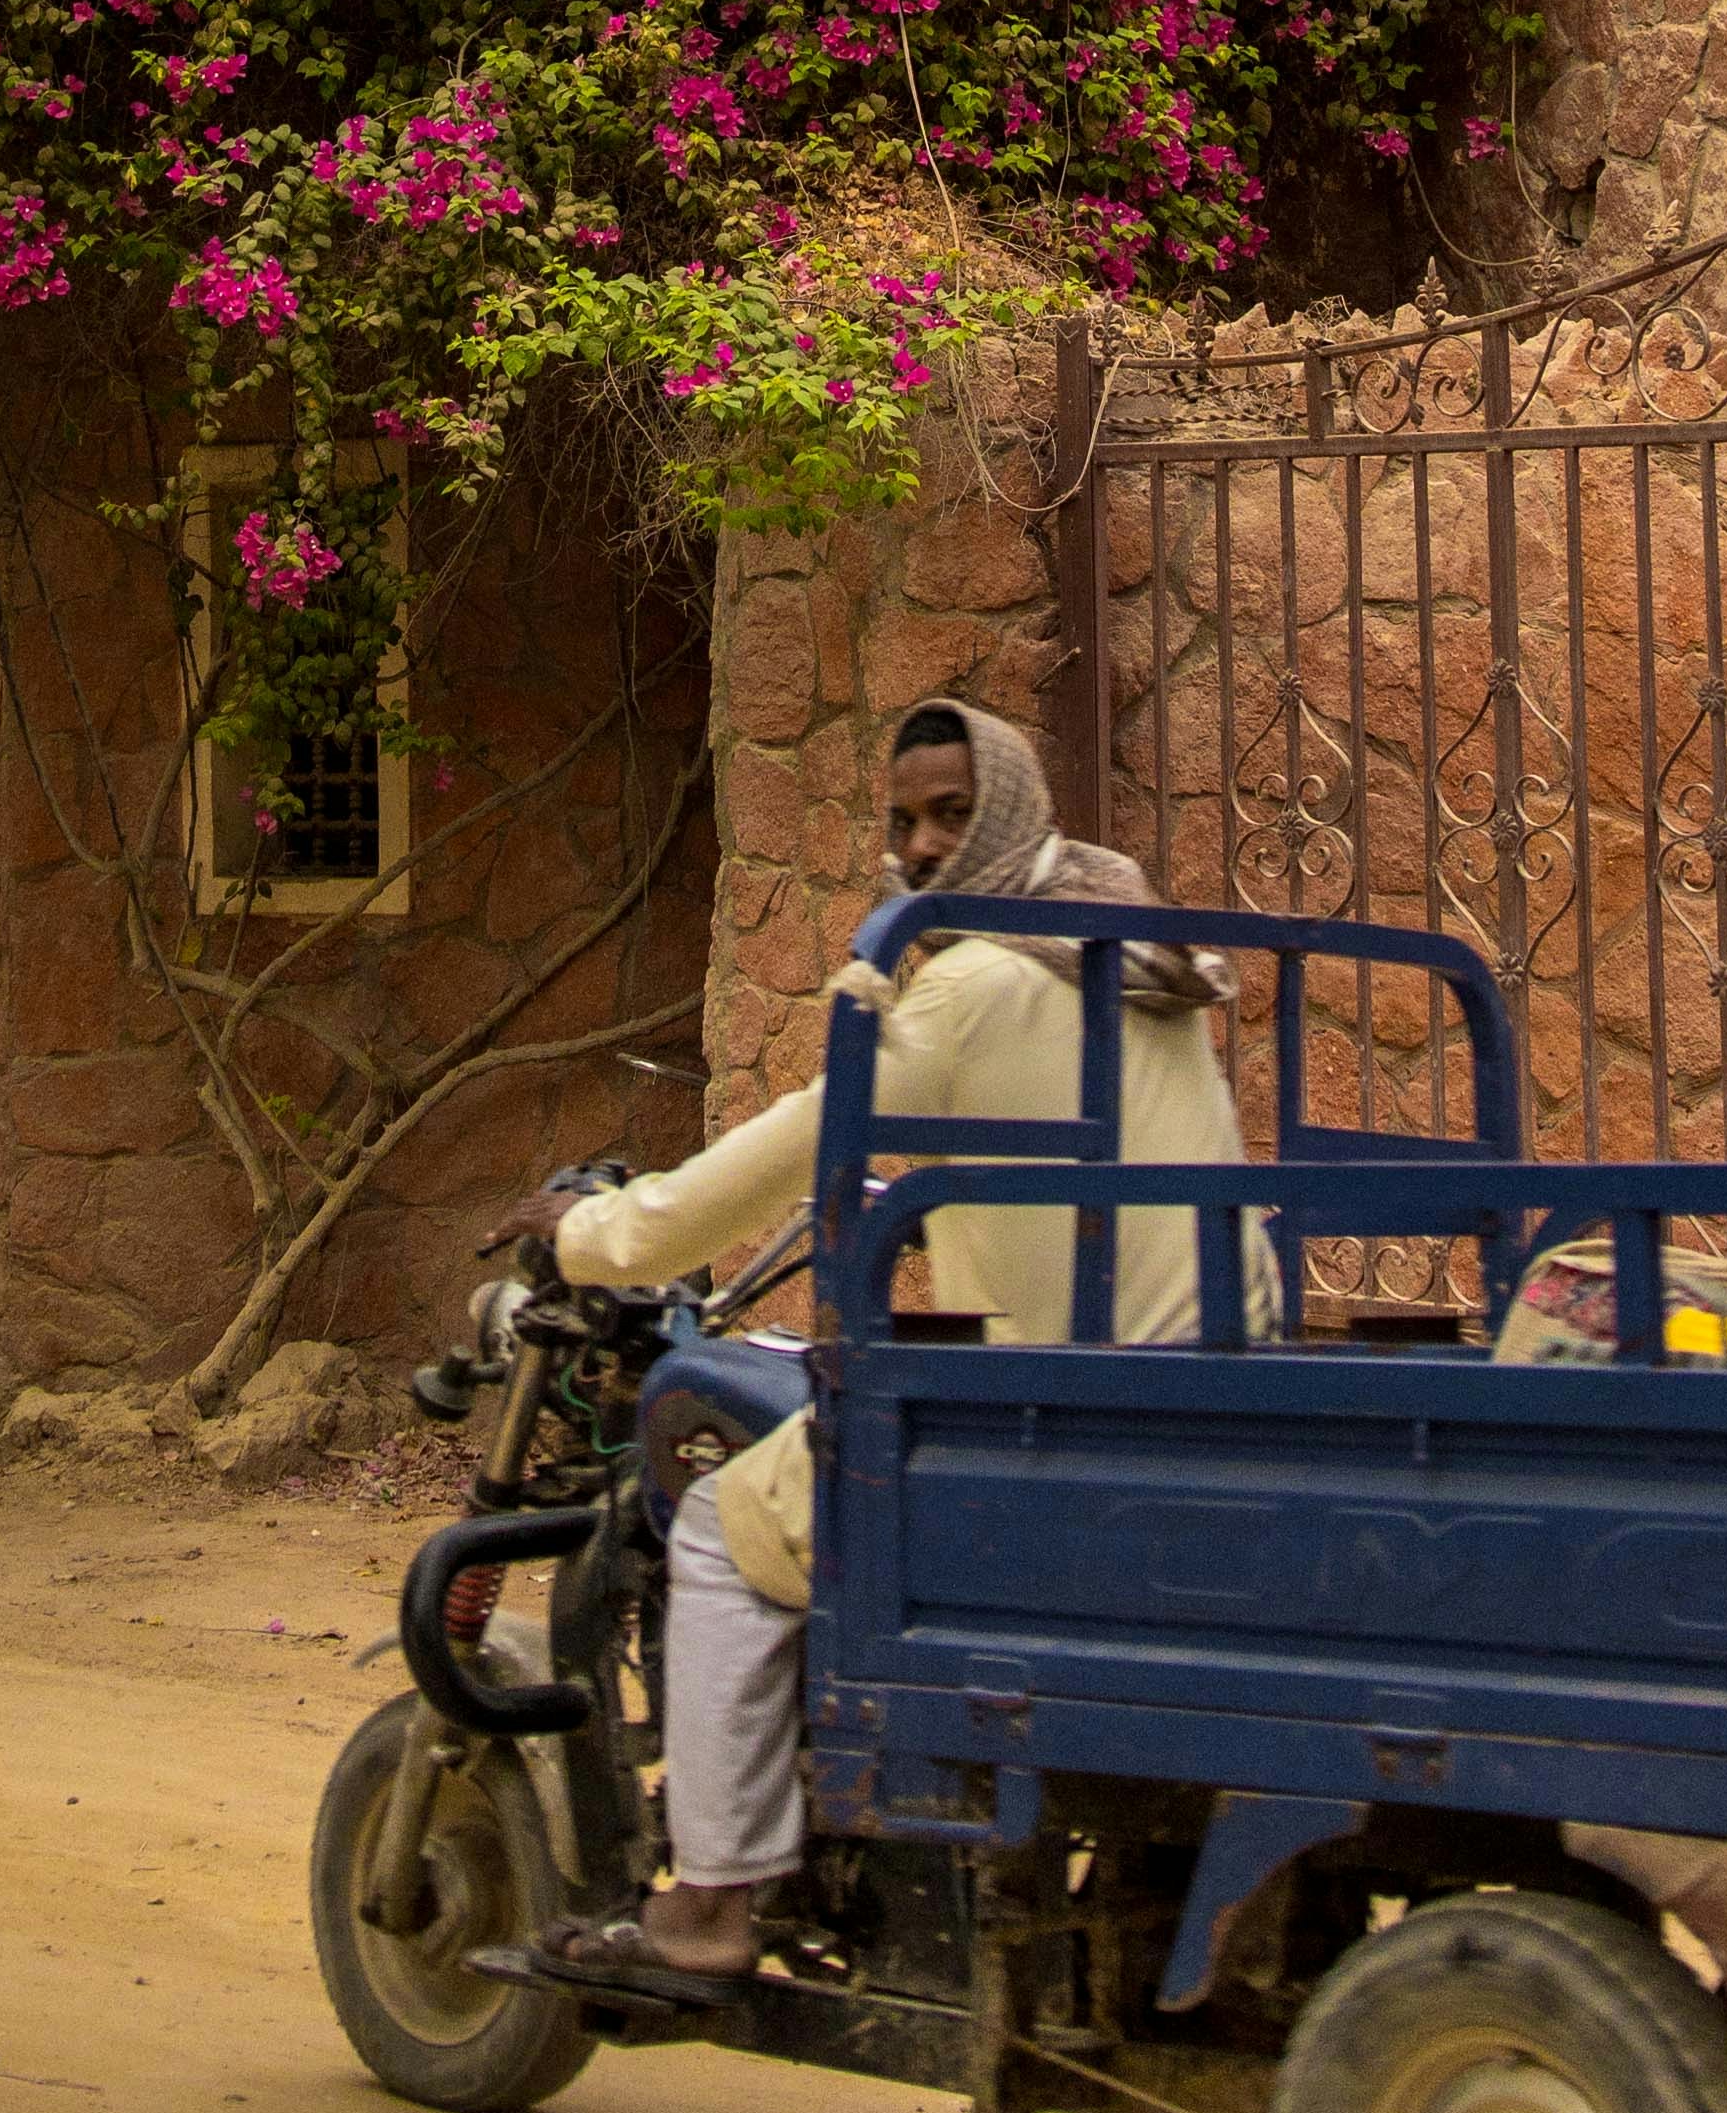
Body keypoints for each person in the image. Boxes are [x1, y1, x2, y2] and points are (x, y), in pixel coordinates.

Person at [526, 695, 1241, 2005]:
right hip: (1205, 1386)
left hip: (1046, 1414)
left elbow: (766, 1160)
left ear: (1009, 814)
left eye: (951, 815)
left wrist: (593, 1234)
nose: (916, 849)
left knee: (716, 1530)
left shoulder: (968, 978)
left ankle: (714, 1901)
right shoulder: (1132, 955)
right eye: (903, 820)